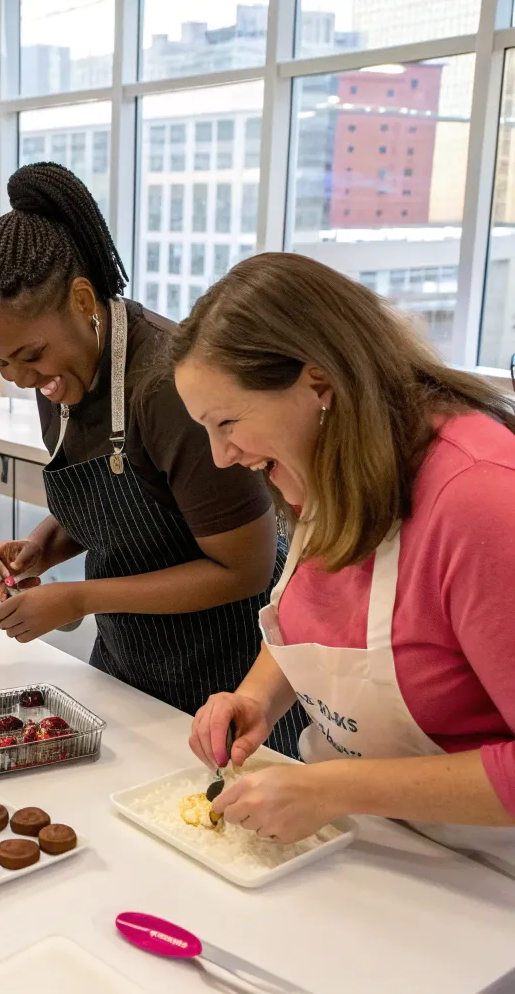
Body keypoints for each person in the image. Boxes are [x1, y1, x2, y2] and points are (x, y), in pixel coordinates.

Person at [174, 251, 515, 875]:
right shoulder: (327, 460)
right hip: (360, 845)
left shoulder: (482, 500)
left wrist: (331, 789)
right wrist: (256, 699)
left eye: (228, 422)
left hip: (479, 879)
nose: (221, 456)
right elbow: (323, 616)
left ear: (320, 384)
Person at [0, 162, 305, 756]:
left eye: (30, 355)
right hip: (131, 657)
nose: (22, 379)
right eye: (3, 364)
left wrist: (78, 597)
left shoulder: (168, 386)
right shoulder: (62, 377)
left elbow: (245, 570)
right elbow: (121, 500)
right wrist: (44, 546)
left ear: (82, 300)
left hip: (227, 669)